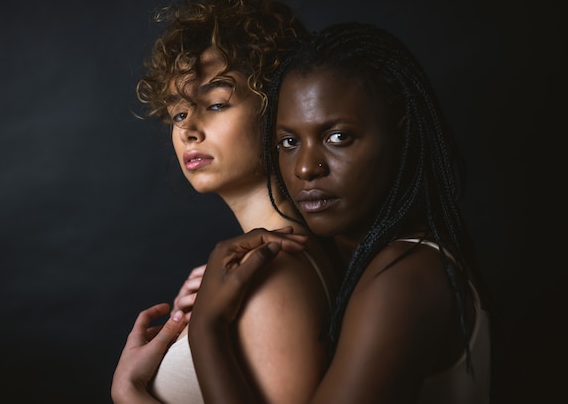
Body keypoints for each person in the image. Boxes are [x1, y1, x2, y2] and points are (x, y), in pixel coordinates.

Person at [185, 22, 492, 403]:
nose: (305, 168)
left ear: (401, 131)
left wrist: (207, 332)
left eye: (338, 137)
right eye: (289, 142)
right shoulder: (362, 263)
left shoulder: (403, 277)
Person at [111, 0, 342, 404]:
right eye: (179, 113)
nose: (188, 129)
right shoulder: (245, 270)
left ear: (277, 108)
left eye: (216, 104)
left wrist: (129, 393)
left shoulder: (274, 272)